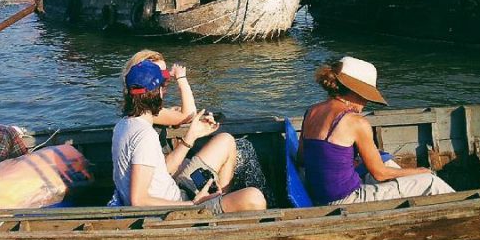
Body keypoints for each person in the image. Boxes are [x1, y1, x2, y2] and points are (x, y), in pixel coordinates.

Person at [113, 60, 267, 213]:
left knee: (225, 140)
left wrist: (192, 135)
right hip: (177, 209)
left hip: (174, 192)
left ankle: (221, 200)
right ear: (158, 92)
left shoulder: (124, 125)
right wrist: (194, 204)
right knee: (255, 198)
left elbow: (157, 173)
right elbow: (138, 200)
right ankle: (220, 208)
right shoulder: (145, 136)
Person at [298, 56, 455, 205]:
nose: (366, 102)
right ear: (356, 91)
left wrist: (342, 163)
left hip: (319, 194)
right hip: (347, 200)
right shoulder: (356, 122)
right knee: (430, 181)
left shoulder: (312, 111)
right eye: (366, 96)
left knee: (388, 164)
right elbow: (380, 173)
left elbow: (302, 158)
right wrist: (420, 171)